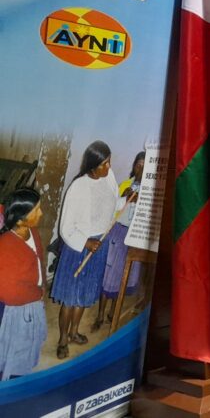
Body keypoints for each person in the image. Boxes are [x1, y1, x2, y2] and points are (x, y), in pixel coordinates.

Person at [50, 141, 118, 359]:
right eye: (104, 163)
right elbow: (65, 227)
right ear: (92, 165)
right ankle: (62, 340)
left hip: (100, 244)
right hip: (78, 247)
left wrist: (129, 197)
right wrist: (86, 242)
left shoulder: (110, 178)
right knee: (70, 298)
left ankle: (73, 332)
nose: (109, 167)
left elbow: (114, 204)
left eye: (109, 161)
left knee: (85, 294)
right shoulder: (78, 187)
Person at [93, 151, 145, 332]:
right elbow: (111, 210)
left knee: (125, 276)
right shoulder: (124, 185)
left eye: (146, 166)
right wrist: (126, 197)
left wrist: (141, 199)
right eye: (139, 164)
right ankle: (100, 315)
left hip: (136, 235)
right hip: (118, 232)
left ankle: (113, 313)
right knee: (109, 275)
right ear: (134, 166)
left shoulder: (151, 192)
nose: (141, 169)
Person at [0, 188, 48, 380]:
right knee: (13, 353)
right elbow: (9, 293)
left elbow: (39, 260)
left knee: (29, 345)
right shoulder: (5, 246)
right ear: (20, 220)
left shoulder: (31, 231)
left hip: (33, 300)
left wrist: (41, 286)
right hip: (16, 310)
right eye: (36, 210)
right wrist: (37, 294)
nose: (41, 213)